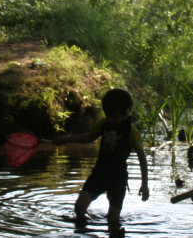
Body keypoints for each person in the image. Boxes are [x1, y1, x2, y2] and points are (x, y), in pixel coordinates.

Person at [52, 88, 149, 234]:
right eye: (108, 115)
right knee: (79, 207)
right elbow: (90, 137)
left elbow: (142, 157)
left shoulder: (131, 131)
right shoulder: (104, 124)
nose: (111, 119)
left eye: (115, 116)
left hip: (118, 178)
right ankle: (82, 231)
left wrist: (144, 185)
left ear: (128, 111)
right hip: (99, 173)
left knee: (112, 219)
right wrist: (66, 140)